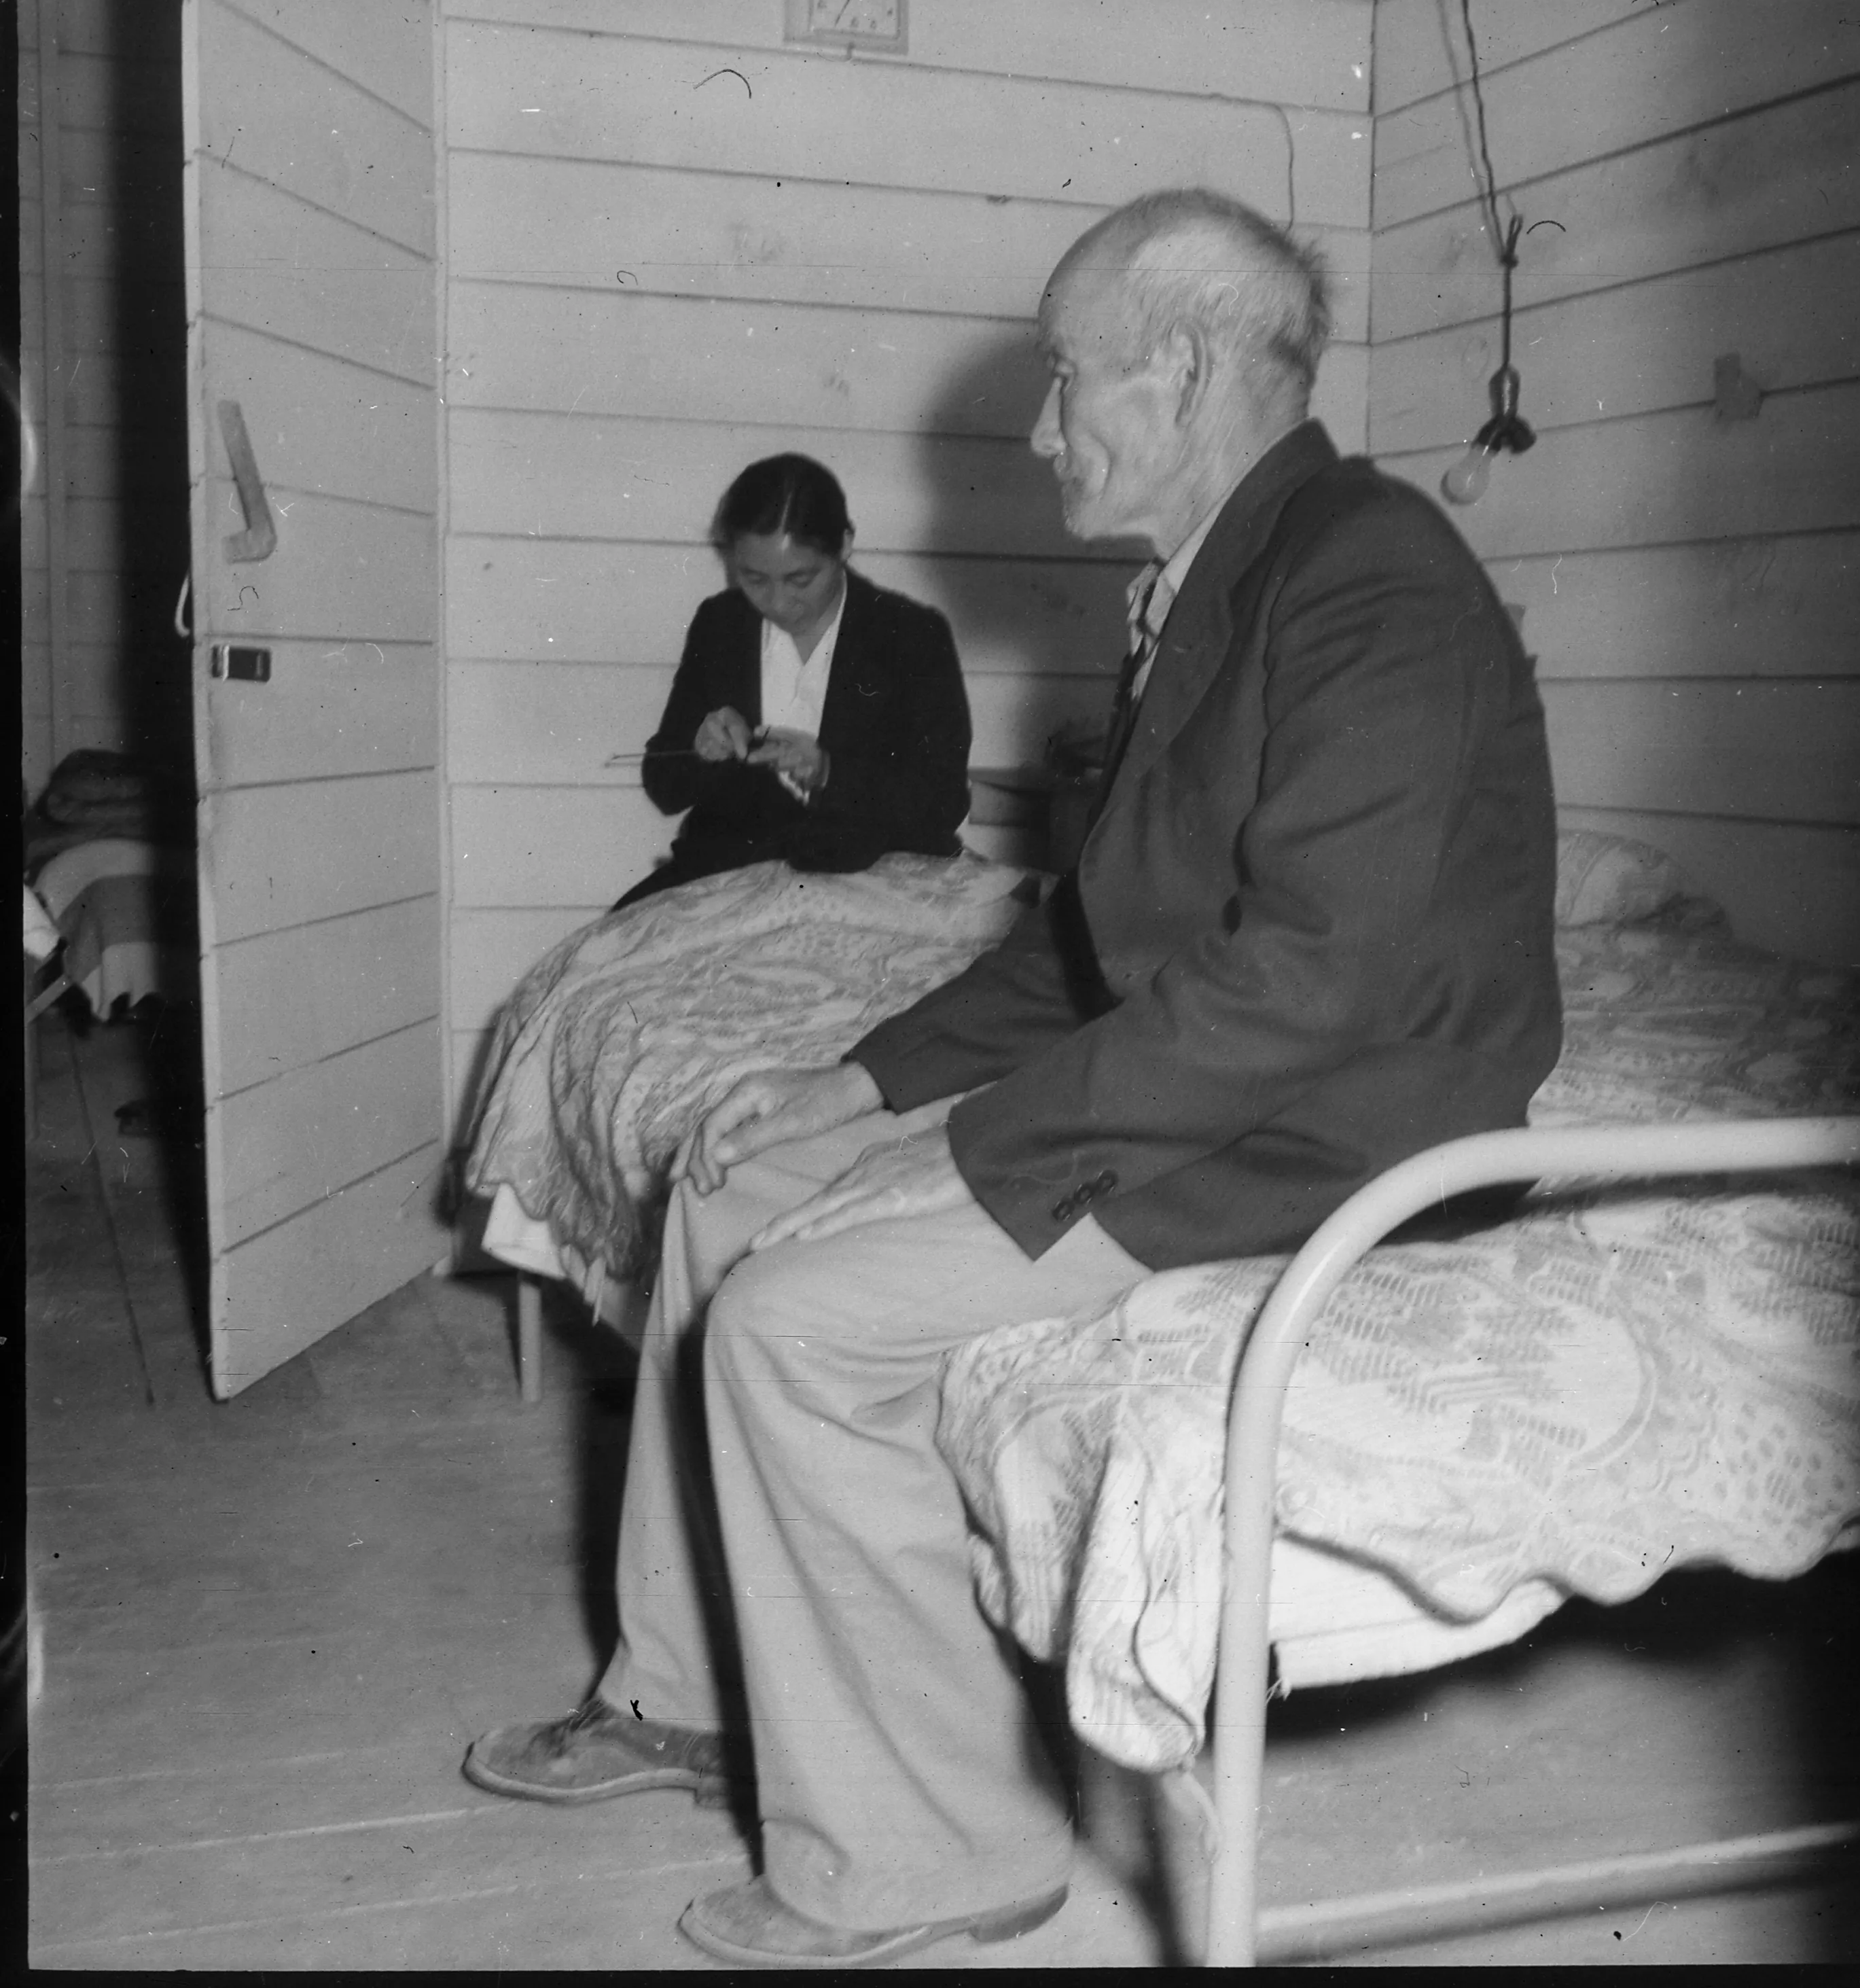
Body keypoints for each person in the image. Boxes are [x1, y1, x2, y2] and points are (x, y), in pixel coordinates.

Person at [464, 190, 1563, 1968]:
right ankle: (679, 1693)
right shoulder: (1211, 580)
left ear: (1187, 369)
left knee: (794, 1326)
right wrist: (851, 1087)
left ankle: (929, 1850)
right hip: (1225, 1080)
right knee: (728, 1178)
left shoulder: (1366, 568)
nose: (1038, 425)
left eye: (1065, 381)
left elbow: (1310, 983)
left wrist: (974, 1148)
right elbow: (1091, 941)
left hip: (1325, 1137)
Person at [610, 452, 972, 908]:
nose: (778, 602)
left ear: (843, 545)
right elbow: (663, 784)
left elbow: (944, 803)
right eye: (754, 579)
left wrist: (828, 773)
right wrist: (702, 747)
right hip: (728, 870)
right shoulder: (720, 624)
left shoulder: (911, 635)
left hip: (874, 877)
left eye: (801, 579)